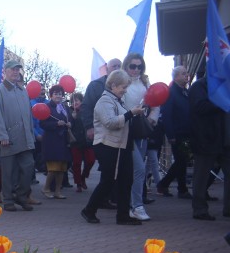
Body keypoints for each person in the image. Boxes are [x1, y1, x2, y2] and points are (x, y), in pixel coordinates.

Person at [80, 69, 144, 225]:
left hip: (121, 146)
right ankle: (89, 210)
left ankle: (122, 216)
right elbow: (110, 122)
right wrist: (131, 113)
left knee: (125, 181)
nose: (125, 90)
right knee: (108, 181)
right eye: (123, 86)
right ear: (113, 85)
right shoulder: (104, 101)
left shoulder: (116, 100)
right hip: (108, 146)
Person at [0, 59, 36, 211]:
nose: (16, 72)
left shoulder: (23, 91)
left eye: (18, 70)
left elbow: (28, 115)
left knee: (29, 166)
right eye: (13, 69)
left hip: (24, 137)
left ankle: (21, 196)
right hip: (8, 138)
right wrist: (2, 136)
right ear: (5, 72)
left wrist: (31, 133)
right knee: (8, 171)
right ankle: (8, 199)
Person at [122, 53, 159, 221]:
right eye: (132, 66)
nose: (136, 70)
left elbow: (156, 101)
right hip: (125, 129)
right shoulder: (121, 81)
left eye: (139, 66)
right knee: (138, 168)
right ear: (126, 66)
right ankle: (136, 205)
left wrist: (152, 118)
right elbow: (117, 104)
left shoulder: (145, 82)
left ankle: (132, 204)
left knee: (138, 169)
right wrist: (130, 113)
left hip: (142, 129)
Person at [189, 75, 229, 221]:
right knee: (201, 175)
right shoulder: (198, 86)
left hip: (225, 138)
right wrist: (221, 100)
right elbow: (199, 107)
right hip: (206, 138)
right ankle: (199, 209)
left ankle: (228, 208)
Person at [156, 66, 193, 199]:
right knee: (181, 160)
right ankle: (180, 189)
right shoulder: (171, 92)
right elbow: (167, 115)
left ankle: (165, 184)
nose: (187, 75)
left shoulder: (185, 92)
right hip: (177, 133)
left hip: (186, 132)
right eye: (183, 74)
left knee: (182, 161)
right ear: (176, 77)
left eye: (186, 73)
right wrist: (170, 134)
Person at [40, 85, 72, 199]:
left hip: (63, 141)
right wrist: (55, 124)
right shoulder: (47, 107)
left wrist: (69, 124)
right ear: (51, 95)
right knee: (53, 168)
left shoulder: (65, 107)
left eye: (60, 94)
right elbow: (42, 124)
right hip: (51, 141)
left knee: (62, 168)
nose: (58, 96)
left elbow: (70, 120)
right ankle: (46, 188)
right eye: (56, 94)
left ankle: (58, 190)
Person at [69, 92, 95, 193]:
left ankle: (83, 176)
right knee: (76, 163)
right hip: (76, 141)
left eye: (77, 100)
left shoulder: (87, 110)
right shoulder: (70, 111)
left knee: (90, 160)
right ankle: (78, 183)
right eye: (73, 101)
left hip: (88, 140)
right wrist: (72, 118)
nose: (75, 103)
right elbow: (68, 125)